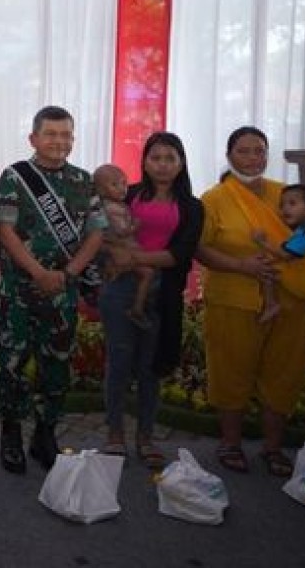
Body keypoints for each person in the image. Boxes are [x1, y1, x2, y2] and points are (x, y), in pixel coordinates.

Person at [198, 127, 305, 477]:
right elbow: (200, 248)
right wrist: (242, 265)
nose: (253, 159)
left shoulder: (287, 194)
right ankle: (231, 443)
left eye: (260, 151)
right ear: (229, 155)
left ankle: (273, 448)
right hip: (233, 301)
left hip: (290, 302)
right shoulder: (215, 198)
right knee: (231, 372)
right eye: (244, 151)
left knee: (282, 376)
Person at [0, 105, 105, 474]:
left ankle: (45, 433)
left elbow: (96, 232)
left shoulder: (83, 181)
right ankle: (10, 435)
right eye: (51, 134)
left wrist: (69, 273)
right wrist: (38, 272)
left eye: (66, 135)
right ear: (34, 138)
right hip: (19, 291)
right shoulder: (14, 177)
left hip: (62, 291)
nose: (59, 141)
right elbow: (5, 232)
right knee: (11, 364)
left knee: (55, 365)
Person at [95, 132, 203, 470]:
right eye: (155, 157)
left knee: (149, 367)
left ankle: (145, 436)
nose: (162, 164)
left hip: (163, 292)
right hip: (120, 288)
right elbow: (99, 233)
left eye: (170, 158)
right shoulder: (126, 195)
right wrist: (116, 255)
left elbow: (182, 254)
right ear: (144, 161)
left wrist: (138, 261)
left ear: (181, 163)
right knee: (119, 361)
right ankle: (114, 433)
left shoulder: (192, 206)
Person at [251, 184, 305, 324]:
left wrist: (262, 242)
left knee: (265, 267)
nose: (285, 209)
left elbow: (286, 255)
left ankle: (271, 304)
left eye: (292, 203)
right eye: (282, 205)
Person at [93, 164, 155, 327]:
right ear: (100, 189)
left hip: (124, 250)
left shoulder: (118, 205)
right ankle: (137, 308)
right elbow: (121, 231)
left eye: (124, 183)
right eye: (115, 184)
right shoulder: (111, 208)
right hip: (123, 249)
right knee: (148, 273)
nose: (122, 189)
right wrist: (135, 225)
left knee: (145, 272)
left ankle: (136, 305)